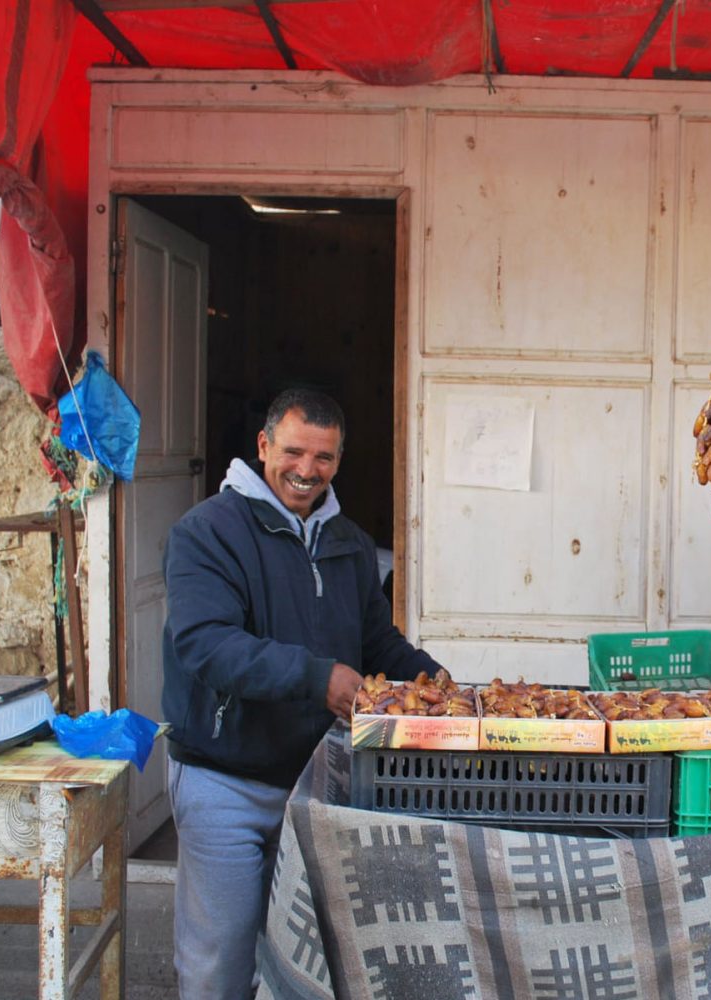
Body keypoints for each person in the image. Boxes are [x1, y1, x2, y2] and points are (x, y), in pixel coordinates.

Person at [161, 387, 444, 999]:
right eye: (294, 452)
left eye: (325, 458)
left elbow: (375, 642)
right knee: (220, 959)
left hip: (318, 783)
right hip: (224, 780)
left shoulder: (348, 542)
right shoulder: (207, 532)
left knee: (308, 962)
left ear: (339, 459)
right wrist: (319, 679)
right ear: (264, 447)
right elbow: (208, 646)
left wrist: (436, 681)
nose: (307, 471)